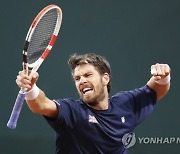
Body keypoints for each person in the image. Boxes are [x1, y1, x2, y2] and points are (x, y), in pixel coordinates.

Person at [16, 53, 171, 154]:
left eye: (88, 75)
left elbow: (156, 89)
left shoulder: (126, 105)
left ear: (105, 78)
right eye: (77, 78)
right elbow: (41, 105)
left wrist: (163, 75)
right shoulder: (73, 112)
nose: (82, 81)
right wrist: (31, 88)